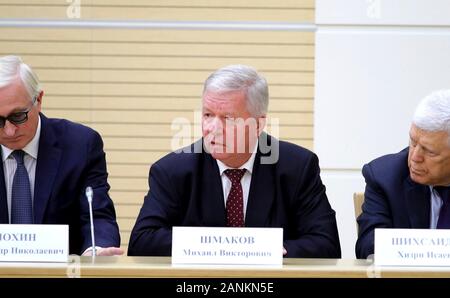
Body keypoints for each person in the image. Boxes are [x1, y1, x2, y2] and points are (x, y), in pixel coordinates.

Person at [128, 64, 341, 258]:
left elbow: (327, 244)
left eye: (228, 118)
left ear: (258, 124)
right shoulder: (173, 170)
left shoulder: (297, 167)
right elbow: (142, 241)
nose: (213, 129)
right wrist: (224, 247)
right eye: (208, 115)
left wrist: (271, 251)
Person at [0, 55, 123, 256]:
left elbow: (96, 215)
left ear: (38, 100)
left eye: (18, 116)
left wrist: (95, 250)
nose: (9, 131)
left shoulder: (80, 145)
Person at [356, 89, 450, 259]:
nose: (414, 158)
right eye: (413, 142)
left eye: (429, 152)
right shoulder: (384, 177)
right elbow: (369, 245)